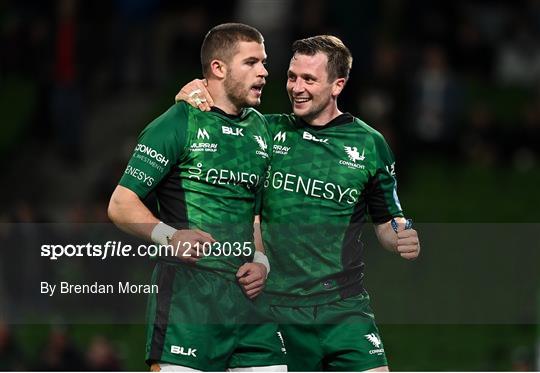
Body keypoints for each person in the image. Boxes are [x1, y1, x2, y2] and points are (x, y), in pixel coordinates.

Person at [176, 35, 420, 371]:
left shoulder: (369, 144)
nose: (296, 87)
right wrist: (192, 94)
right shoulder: (265, 131)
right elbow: (211, 127)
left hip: (343, 308)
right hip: (274, 310)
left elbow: (389, 220)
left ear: (338, 84)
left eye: (309, 79)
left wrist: (402, 233)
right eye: (292, 77)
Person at [108, 23, 287, 372]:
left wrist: (261, 262)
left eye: (264, 62)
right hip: (187, 302)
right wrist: (170, 236)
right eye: (251, 62)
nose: (264, 71)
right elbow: (120, 203)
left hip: (248, 303)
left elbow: (254, 215)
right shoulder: (178, 122)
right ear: (218, 68)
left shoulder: (263, 130)